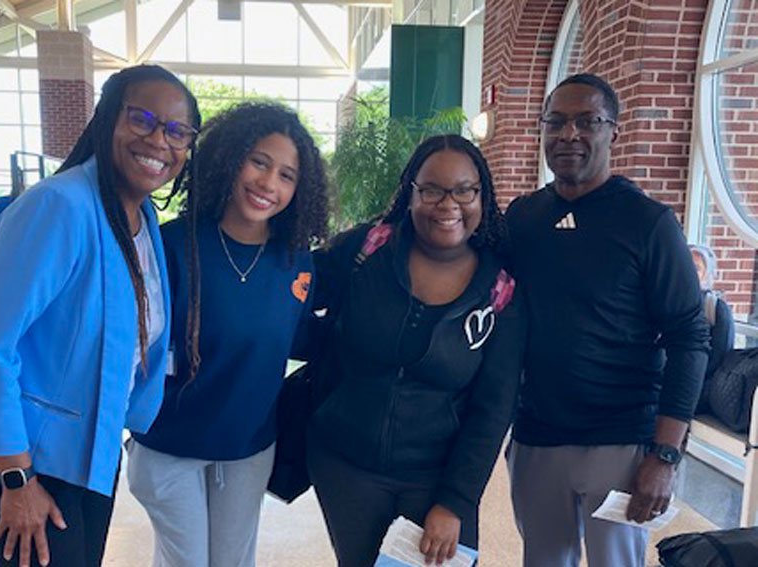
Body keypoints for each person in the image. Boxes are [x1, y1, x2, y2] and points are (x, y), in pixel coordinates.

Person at [0, 64, 200, 567]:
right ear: (107, 119)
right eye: (142, 119)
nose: (159, 140)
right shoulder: (60, 205)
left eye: (177, 131)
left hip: (90, 446)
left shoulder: (143, 220)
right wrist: (16, 478)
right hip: (25, 455)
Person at [505, 73, 710, 567]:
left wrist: (664, 456)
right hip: (536, 436)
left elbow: (689, 337)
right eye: (555, 122)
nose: (568, 134)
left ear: (612, 131)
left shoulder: (649, 222)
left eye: (586, 121)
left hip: (621, 441)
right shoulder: (522, 218)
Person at [306, 134, 525, 567]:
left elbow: (494, 408)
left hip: (437, 476)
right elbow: (292, 298)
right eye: (431, 189)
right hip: (346, 466)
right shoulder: (367, 250)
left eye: (465, 190)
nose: (448, 204)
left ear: (482, 197)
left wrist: (455, 502)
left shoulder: (499, 292)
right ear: (411, 193)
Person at [127, 101, 329, 567]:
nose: (268, 184)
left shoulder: (295, 261)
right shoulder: (173, 245)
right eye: (259, 162)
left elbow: (298, 339)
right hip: (168, 445)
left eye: (286, 175)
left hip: (247, 449)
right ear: (230, 158)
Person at [689, 244, 735, 387]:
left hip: (701, 387)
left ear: (706, 275)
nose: (689, 271)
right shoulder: (663, 302)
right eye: (686, 264)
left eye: (696, 268)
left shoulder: (717, 309)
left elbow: (720, 358)